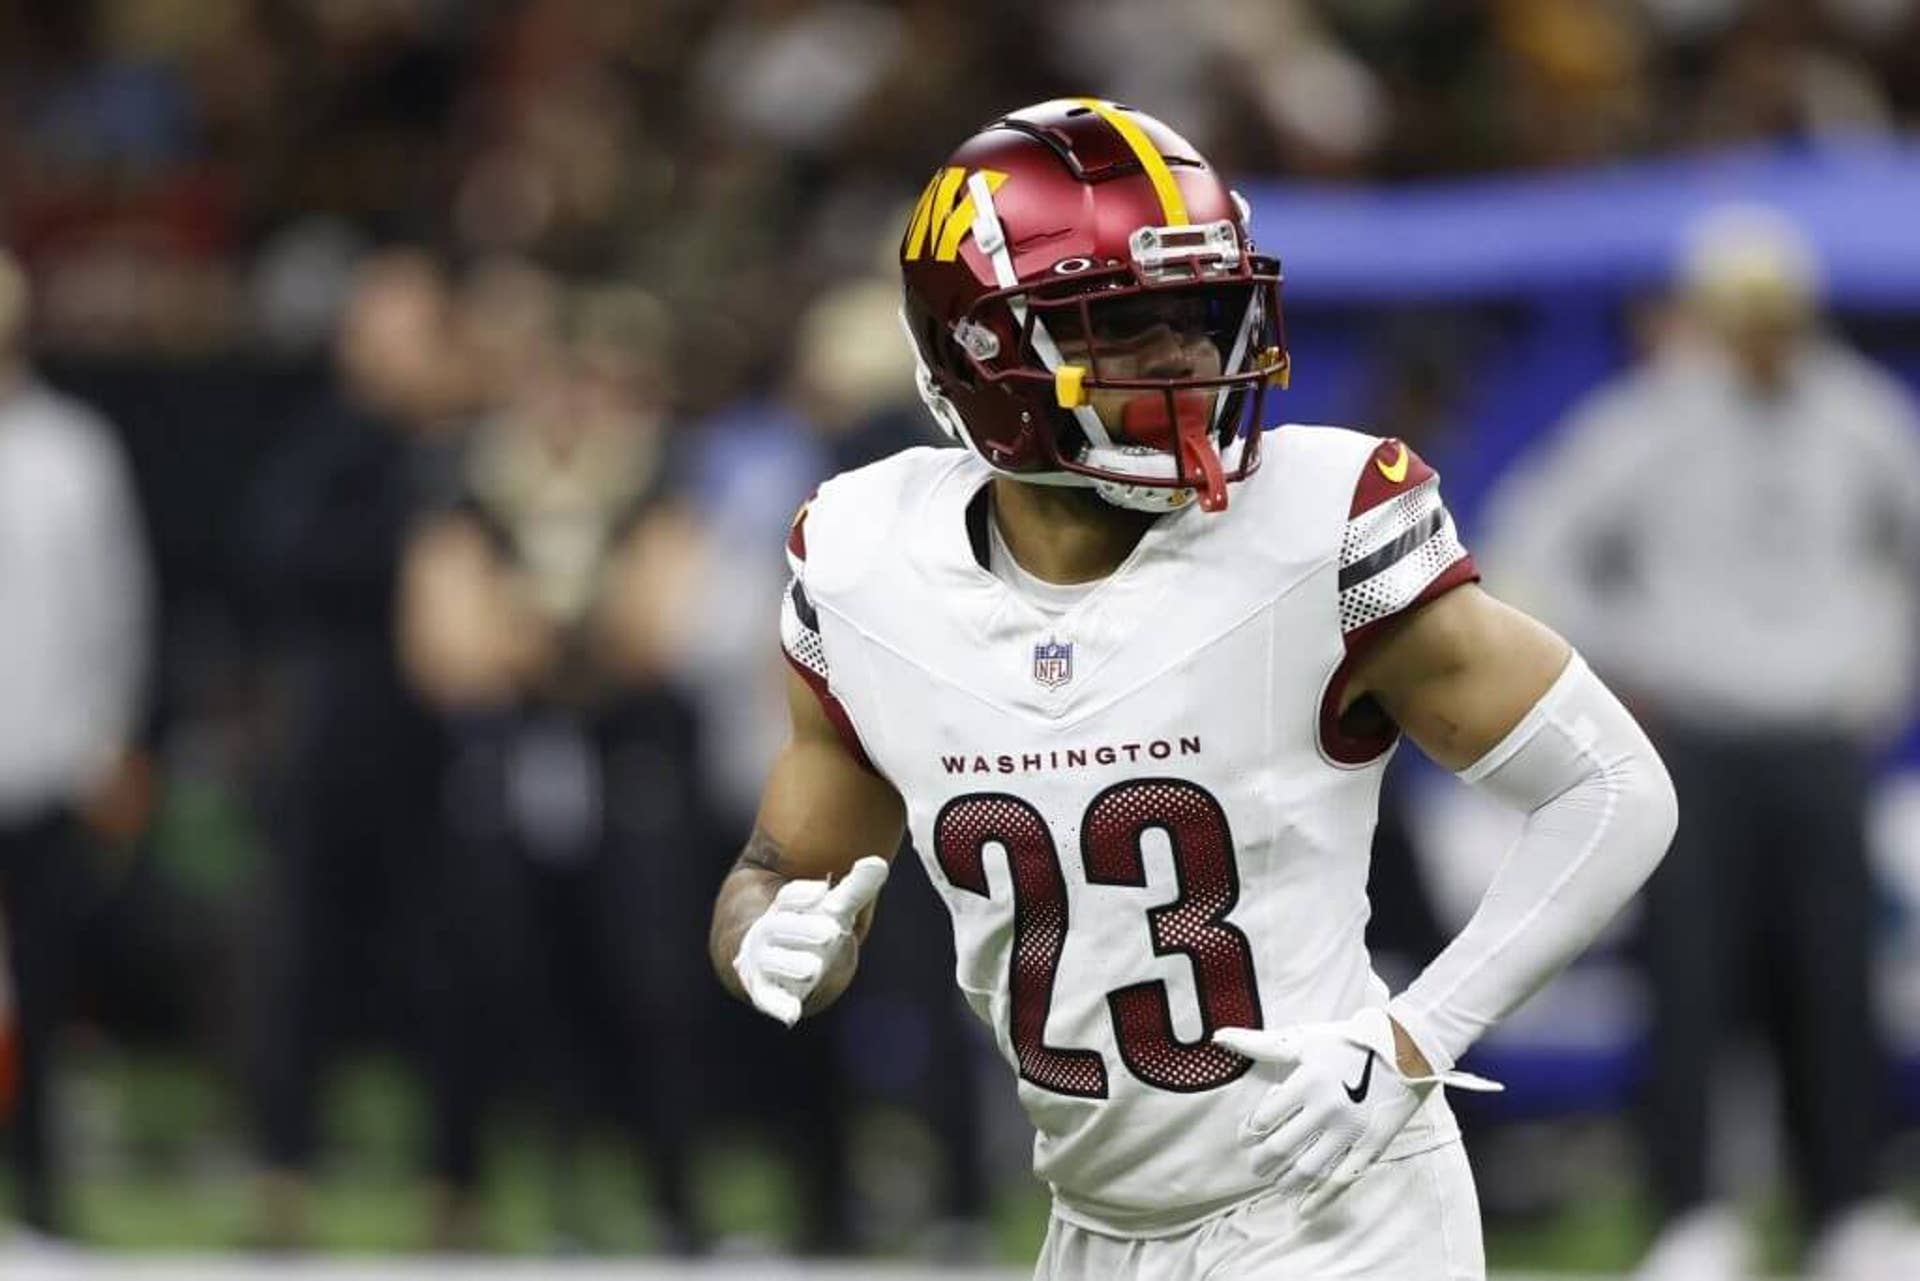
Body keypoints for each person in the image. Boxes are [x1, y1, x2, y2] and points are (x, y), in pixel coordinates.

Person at [707, 100, 1679, 1279]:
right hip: (1091, 1227)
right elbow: (779, 875)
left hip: (1333, 1212)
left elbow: (1614, 787)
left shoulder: (1318, 527)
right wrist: (769, 937)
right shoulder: (866, 562)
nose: (1188, 360)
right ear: (985, 353)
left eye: (1204, 315)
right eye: (1127, 326)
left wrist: (1412, 1038)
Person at [1483, 206, 1920, 1281]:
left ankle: (1847, 1211)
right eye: (1744, 315)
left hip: (1819, 741)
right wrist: (1623, 667)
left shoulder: (1860, 418)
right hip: (1697, 744)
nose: (1765, 336)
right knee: (1691, 981)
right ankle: (1691, 1213)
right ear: (1709, 315)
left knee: (1832, 979)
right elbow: (1531, 545)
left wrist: (1880, 666)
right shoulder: (1651, 420)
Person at [244, 249, 468, 1249]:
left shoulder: (466, 449)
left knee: (448, 962)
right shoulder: (329, 446)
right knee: (303, 963)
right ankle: (282, 1177)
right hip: (338, 736)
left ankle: (450, 1185)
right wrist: (410, 547)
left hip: (444, 744)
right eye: (400, 331)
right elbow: (278, 555)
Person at [0, 247, 154, 1241]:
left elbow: (117, 609)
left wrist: (107, 743)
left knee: (46, 996)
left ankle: (43, 1197)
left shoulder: (73, 451)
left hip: (44, 767)